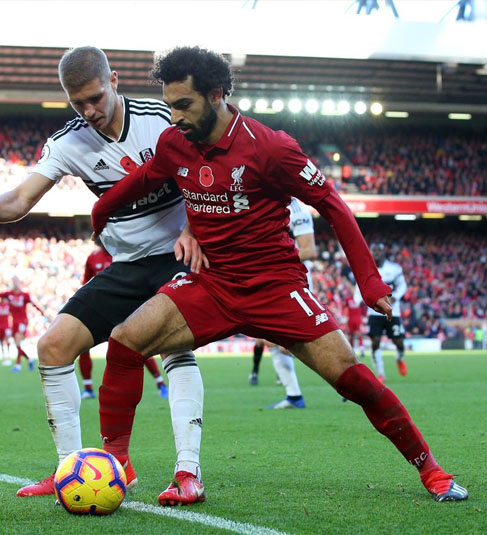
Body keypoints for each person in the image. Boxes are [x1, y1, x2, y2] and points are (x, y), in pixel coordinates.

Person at [90, 46, 467, 503]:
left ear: (216, 95)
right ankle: (117, 467)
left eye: (183, 105)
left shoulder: (270, 147)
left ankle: (432, 470)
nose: (174, 117)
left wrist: (369, 282)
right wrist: (103, 208)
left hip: (275, 288)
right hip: (211, 283)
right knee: (126, 340)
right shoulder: (175, 143)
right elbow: (147, 177)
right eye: (169, 105)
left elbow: (332, 205)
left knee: (351, 377)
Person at [0, 46, 208, 505]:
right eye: (77, 103)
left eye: (95, 97)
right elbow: (21, 200)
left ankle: (188, 471)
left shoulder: (159, 119)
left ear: (115, 80)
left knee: (173, 346)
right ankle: (70, 469)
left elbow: (211, 173)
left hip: (177, 257)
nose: (89, 111)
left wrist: (192, 228)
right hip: (126, 266)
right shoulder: (68, 142)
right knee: (52, 346)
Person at [78, 243, 168, 400]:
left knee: (138, 346)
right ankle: (87, 388)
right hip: (100, 309)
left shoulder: (124, 253)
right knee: (82, 346)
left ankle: (160, 384)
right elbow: (85, 284)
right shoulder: (92, 257)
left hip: (123, 309)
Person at [249, 199, 317, 406]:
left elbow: (309, 250)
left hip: (292, 280)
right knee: (270, 339)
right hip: (271, 279)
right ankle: (294, 395)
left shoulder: (296, 209)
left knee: (304, 341)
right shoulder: (262, 200)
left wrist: (270, 262)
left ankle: (347, 378)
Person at [353, 243, 408, 381]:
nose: (376, 253)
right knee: (375, 341)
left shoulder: (395, 269)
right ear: (370, 253)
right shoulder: (365, 270)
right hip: (374, 313)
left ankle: (399, 358)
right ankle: (381, 374)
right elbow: (358, 288)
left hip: (393, 312)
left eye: (379, 251)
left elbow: (403, 285)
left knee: (399, 342)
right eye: (374, 251)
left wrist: (396, 297)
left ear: (384, 253)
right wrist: (358, 300)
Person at [0, 274, 45, 373]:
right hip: (14, 322)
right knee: (17, 344)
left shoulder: (24, 295)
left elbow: (33, 304)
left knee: (17, 340)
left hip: (23, 321)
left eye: (17, 281)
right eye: (14, 282)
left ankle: (18, 366)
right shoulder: (9, 294)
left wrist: (41, 312)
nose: (15, 284)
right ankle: (29, 359)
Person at [0, 295, 14, 366]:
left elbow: (11, 314)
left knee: (7, 341)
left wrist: (11, 324)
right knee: (1, 341)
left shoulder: (8, 306)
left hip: (6, 326)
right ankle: (4, 357)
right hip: (0, 326)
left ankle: (8, 356)